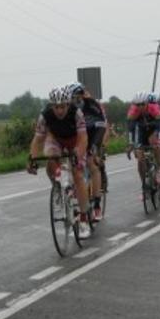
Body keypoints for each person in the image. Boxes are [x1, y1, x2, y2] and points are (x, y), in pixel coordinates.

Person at [26, 86, 91, 238]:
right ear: (52, 106)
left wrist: (78, 154)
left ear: (68, 104)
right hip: (56, 140)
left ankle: (83, 219)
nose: (59, 110)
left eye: (63, 107)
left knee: (77, 174)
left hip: (75, 140)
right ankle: (58, 186)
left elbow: (83, 138)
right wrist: (32, 159)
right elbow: (38, 140)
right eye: (56, 107)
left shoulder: (77, 113)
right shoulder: (45, 115)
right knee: (50, 157)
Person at [68, 82, 107, 222]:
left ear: (82, 96)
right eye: (71, 98)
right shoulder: (69, 108)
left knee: (92, 164)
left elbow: (102, 126)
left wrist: (95, 146)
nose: (73, 101)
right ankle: (75, 189)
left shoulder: (92, 104)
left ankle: (96, 205)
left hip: (94, 134)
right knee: (72, 162)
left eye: (76, 97)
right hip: (78, 136)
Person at [126, 91, 160, 191]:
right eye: (137, 104)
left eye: (142, 104)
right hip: (141, 131)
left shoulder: (154, 108)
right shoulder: (133, 111)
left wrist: (159, 140)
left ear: (147, 102)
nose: (140, 107)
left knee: (157, 151)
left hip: (154, 129)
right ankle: (144, 183)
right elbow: (131, 129)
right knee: (140, 158)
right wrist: (131, 144)